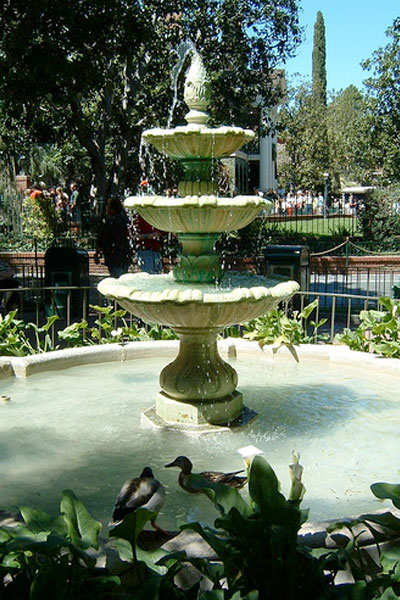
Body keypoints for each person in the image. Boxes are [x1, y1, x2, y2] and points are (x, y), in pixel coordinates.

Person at [94, 197, 133, 278]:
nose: (106, 209)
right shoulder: (125, 220)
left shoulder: (110, 221)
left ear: (113, 208)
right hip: (124, 255)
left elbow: (103, 237)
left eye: (108, 207)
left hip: (113, 255)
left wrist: (98, 252)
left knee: (117, 278)